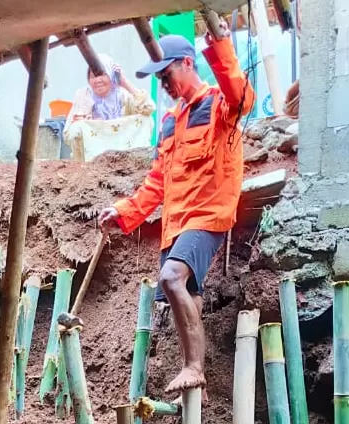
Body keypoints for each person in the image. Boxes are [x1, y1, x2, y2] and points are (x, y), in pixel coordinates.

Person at [98, 28, 251, 394]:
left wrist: (220, 45)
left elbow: (242, 97)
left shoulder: (218, 105)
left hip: (208, 215)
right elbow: (156, 182)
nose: (164, 83)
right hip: (176, 224)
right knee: (188, 294)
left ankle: (194, 366)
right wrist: (123, 212)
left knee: (170, 277)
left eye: (167, 74)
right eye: (159, 78)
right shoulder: (169, 123)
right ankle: (194, 388)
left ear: (187, 63)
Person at [67, 53, 156, 124]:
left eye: (103, 74)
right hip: (93, 145)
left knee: (147, 120)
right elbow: (69, 133)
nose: (97, 80)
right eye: (93, 76)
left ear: (111, 76)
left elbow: (149, 108)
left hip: (122, 144)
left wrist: (124, 82)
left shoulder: (122, 96)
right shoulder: (84, 95)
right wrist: (84, 124)